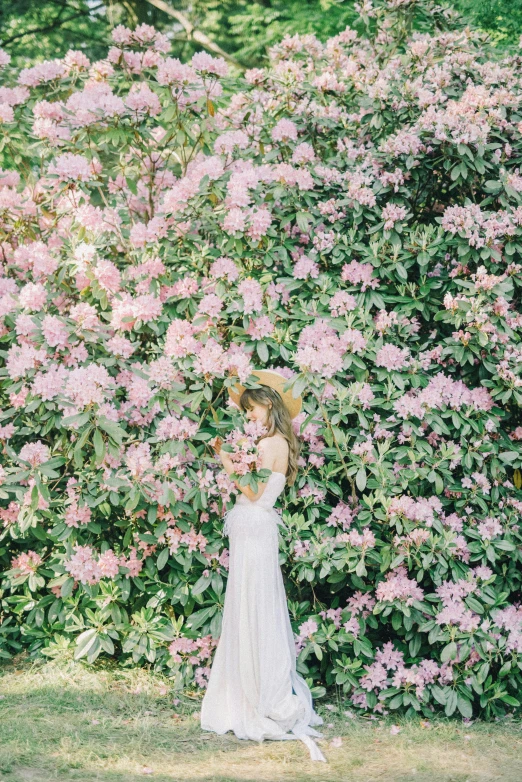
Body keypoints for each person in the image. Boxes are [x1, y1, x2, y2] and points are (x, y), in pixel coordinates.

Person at [200, 369, 327, 763]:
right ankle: (246, 687)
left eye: (252, 408)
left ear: (269, 405)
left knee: (254, 605)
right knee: (248, 604)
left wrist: (224, 455)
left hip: (255, 529)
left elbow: (253, 491)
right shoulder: (271, 441)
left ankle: (256, 693)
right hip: (253, 532)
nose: (249, 416)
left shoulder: (272, 443)